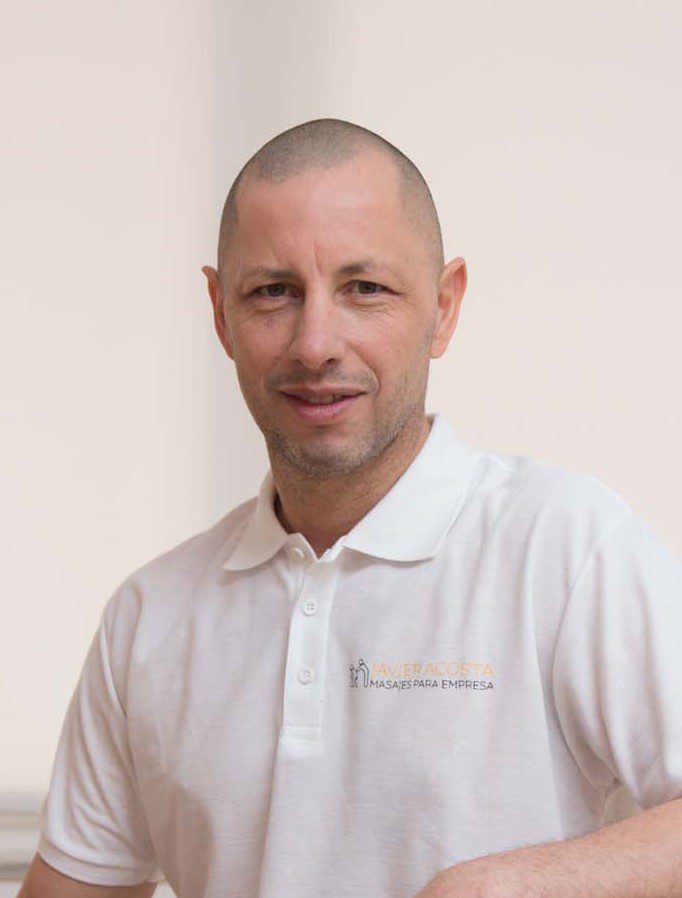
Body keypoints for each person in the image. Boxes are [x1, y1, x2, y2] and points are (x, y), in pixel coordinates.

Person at [19, 118, 682, 898]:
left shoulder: (568, 551)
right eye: (273, 292)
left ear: (444, 306)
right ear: (221, 313)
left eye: (365, 289)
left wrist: (510, 887)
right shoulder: (149, 617)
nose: (315, 344)